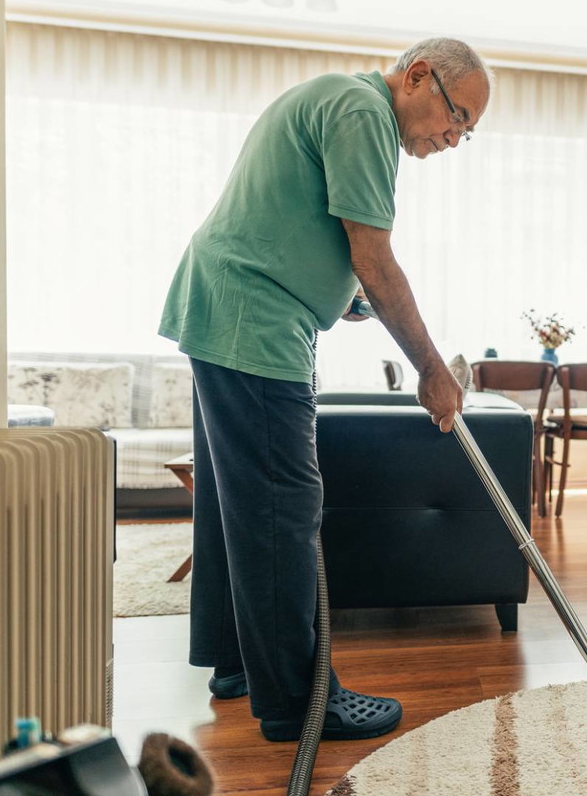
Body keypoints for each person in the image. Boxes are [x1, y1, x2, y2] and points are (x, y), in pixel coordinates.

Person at [157, 38, 491, 743]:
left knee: (232, 504)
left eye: (468, 132)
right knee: (284, 509)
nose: (455, 139)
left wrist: (340, 298)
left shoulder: (336, 101)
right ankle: (300, 702)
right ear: (419, 76)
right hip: (253, 319)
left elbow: (306, 231)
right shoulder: (364, 112)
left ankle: (236, 664)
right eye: (457, 118)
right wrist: (433, 370)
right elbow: (372, 255)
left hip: (225, 307)